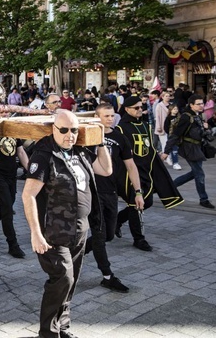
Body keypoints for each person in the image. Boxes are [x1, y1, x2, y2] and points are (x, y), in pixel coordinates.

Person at [22, 110, 112, 338]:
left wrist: (100, 142)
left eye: (74, 130)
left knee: (71, 282)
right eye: (64, 130)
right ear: (54, 129)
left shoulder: (80, 152)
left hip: (79, 231)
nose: (69, 135)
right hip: (53, 232)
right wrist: (35, 233)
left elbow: (106, 169)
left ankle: (62, 328)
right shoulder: (44, 155)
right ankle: (47, 333)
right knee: (63, 278)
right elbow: (28, 195)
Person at [87, 103, 144, 293]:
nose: (110, 119)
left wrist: (138, 192)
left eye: (112, 116)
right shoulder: (87, 137)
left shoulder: (120, 138)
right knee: (100, 234)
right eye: (106, 116)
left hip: (111, 192)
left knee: (108, 235)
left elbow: (131, 166)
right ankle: (107, 276)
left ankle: (72, 253)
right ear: (97, 117)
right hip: (93, 193)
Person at [115, 96, 184, 251]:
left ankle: (117, 221)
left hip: (145, 171)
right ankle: (139, 239)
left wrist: (157, 159)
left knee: (148, 202)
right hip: (129, 172)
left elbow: (148, 147)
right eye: (136, 108)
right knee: (136, 205)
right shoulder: (121, 128)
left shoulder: (146, 126)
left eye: (142, 107)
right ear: (127, 109)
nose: (140, 110)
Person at [163, 94, 215, 209]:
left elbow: (204, 134)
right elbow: (175, 135)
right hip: (189, 149)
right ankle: (204, 199)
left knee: (195, 173)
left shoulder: (199, 115)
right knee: (199, 174)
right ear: (191, 105)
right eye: (198, 104)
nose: (202, 106)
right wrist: (166, 151)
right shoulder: (186, 117)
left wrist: (207, 128)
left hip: (197, 148)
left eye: (202, 103)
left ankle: (169, 187)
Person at [0, 135, 28, 259]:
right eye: (3, 112)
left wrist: (31, 171)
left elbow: (21, 152)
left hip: (11, 174)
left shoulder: (12, 130)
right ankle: (13, 244)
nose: (6, 113)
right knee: (7, 208)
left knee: (8, 203)